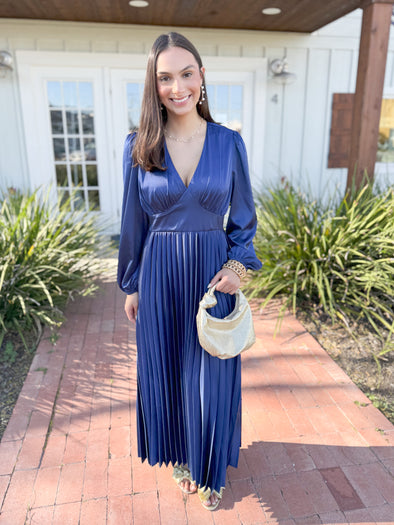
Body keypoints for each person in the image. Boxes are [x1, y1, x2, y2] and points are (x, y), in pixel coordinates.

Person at [117, 32, 261, 511]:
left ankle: (212, 462)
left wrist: (238, 267)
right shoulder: (139, 145)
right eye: (164, 78)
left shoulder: (228, 143)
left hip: (210, 275)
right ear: (153, 85)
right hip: (158, 275)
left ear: (201, 76)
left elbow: (243, 219)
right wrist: (132, 285)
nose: (176, 87)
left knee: (212, 372)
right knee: (170, 370)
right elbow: (132, 223)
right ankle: (182, 454)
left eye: (185, 73)